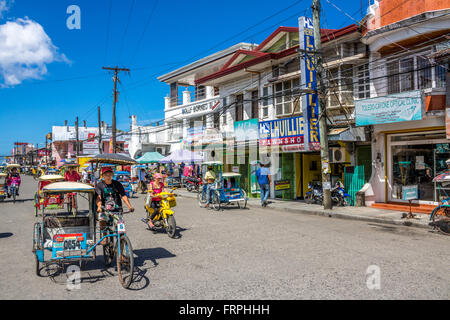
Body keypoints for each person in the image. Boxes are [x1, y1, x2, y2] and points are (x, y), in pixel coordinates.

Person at [96, 167, 135, 245]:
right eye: (106, 174)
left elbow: (123, 196)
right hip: (104, 210)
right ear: (102, 176)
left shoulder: (117, 184)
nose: (108, 176)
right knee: (102, 220)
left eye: (110, 174)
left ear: (112, 175)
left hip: (117, 210)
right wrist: (99, 206)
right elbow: (98, 197)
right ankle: (105, 236)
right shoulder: (99, 185)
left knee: (121, 232)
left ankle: (120, 255)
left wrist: (130, 206)